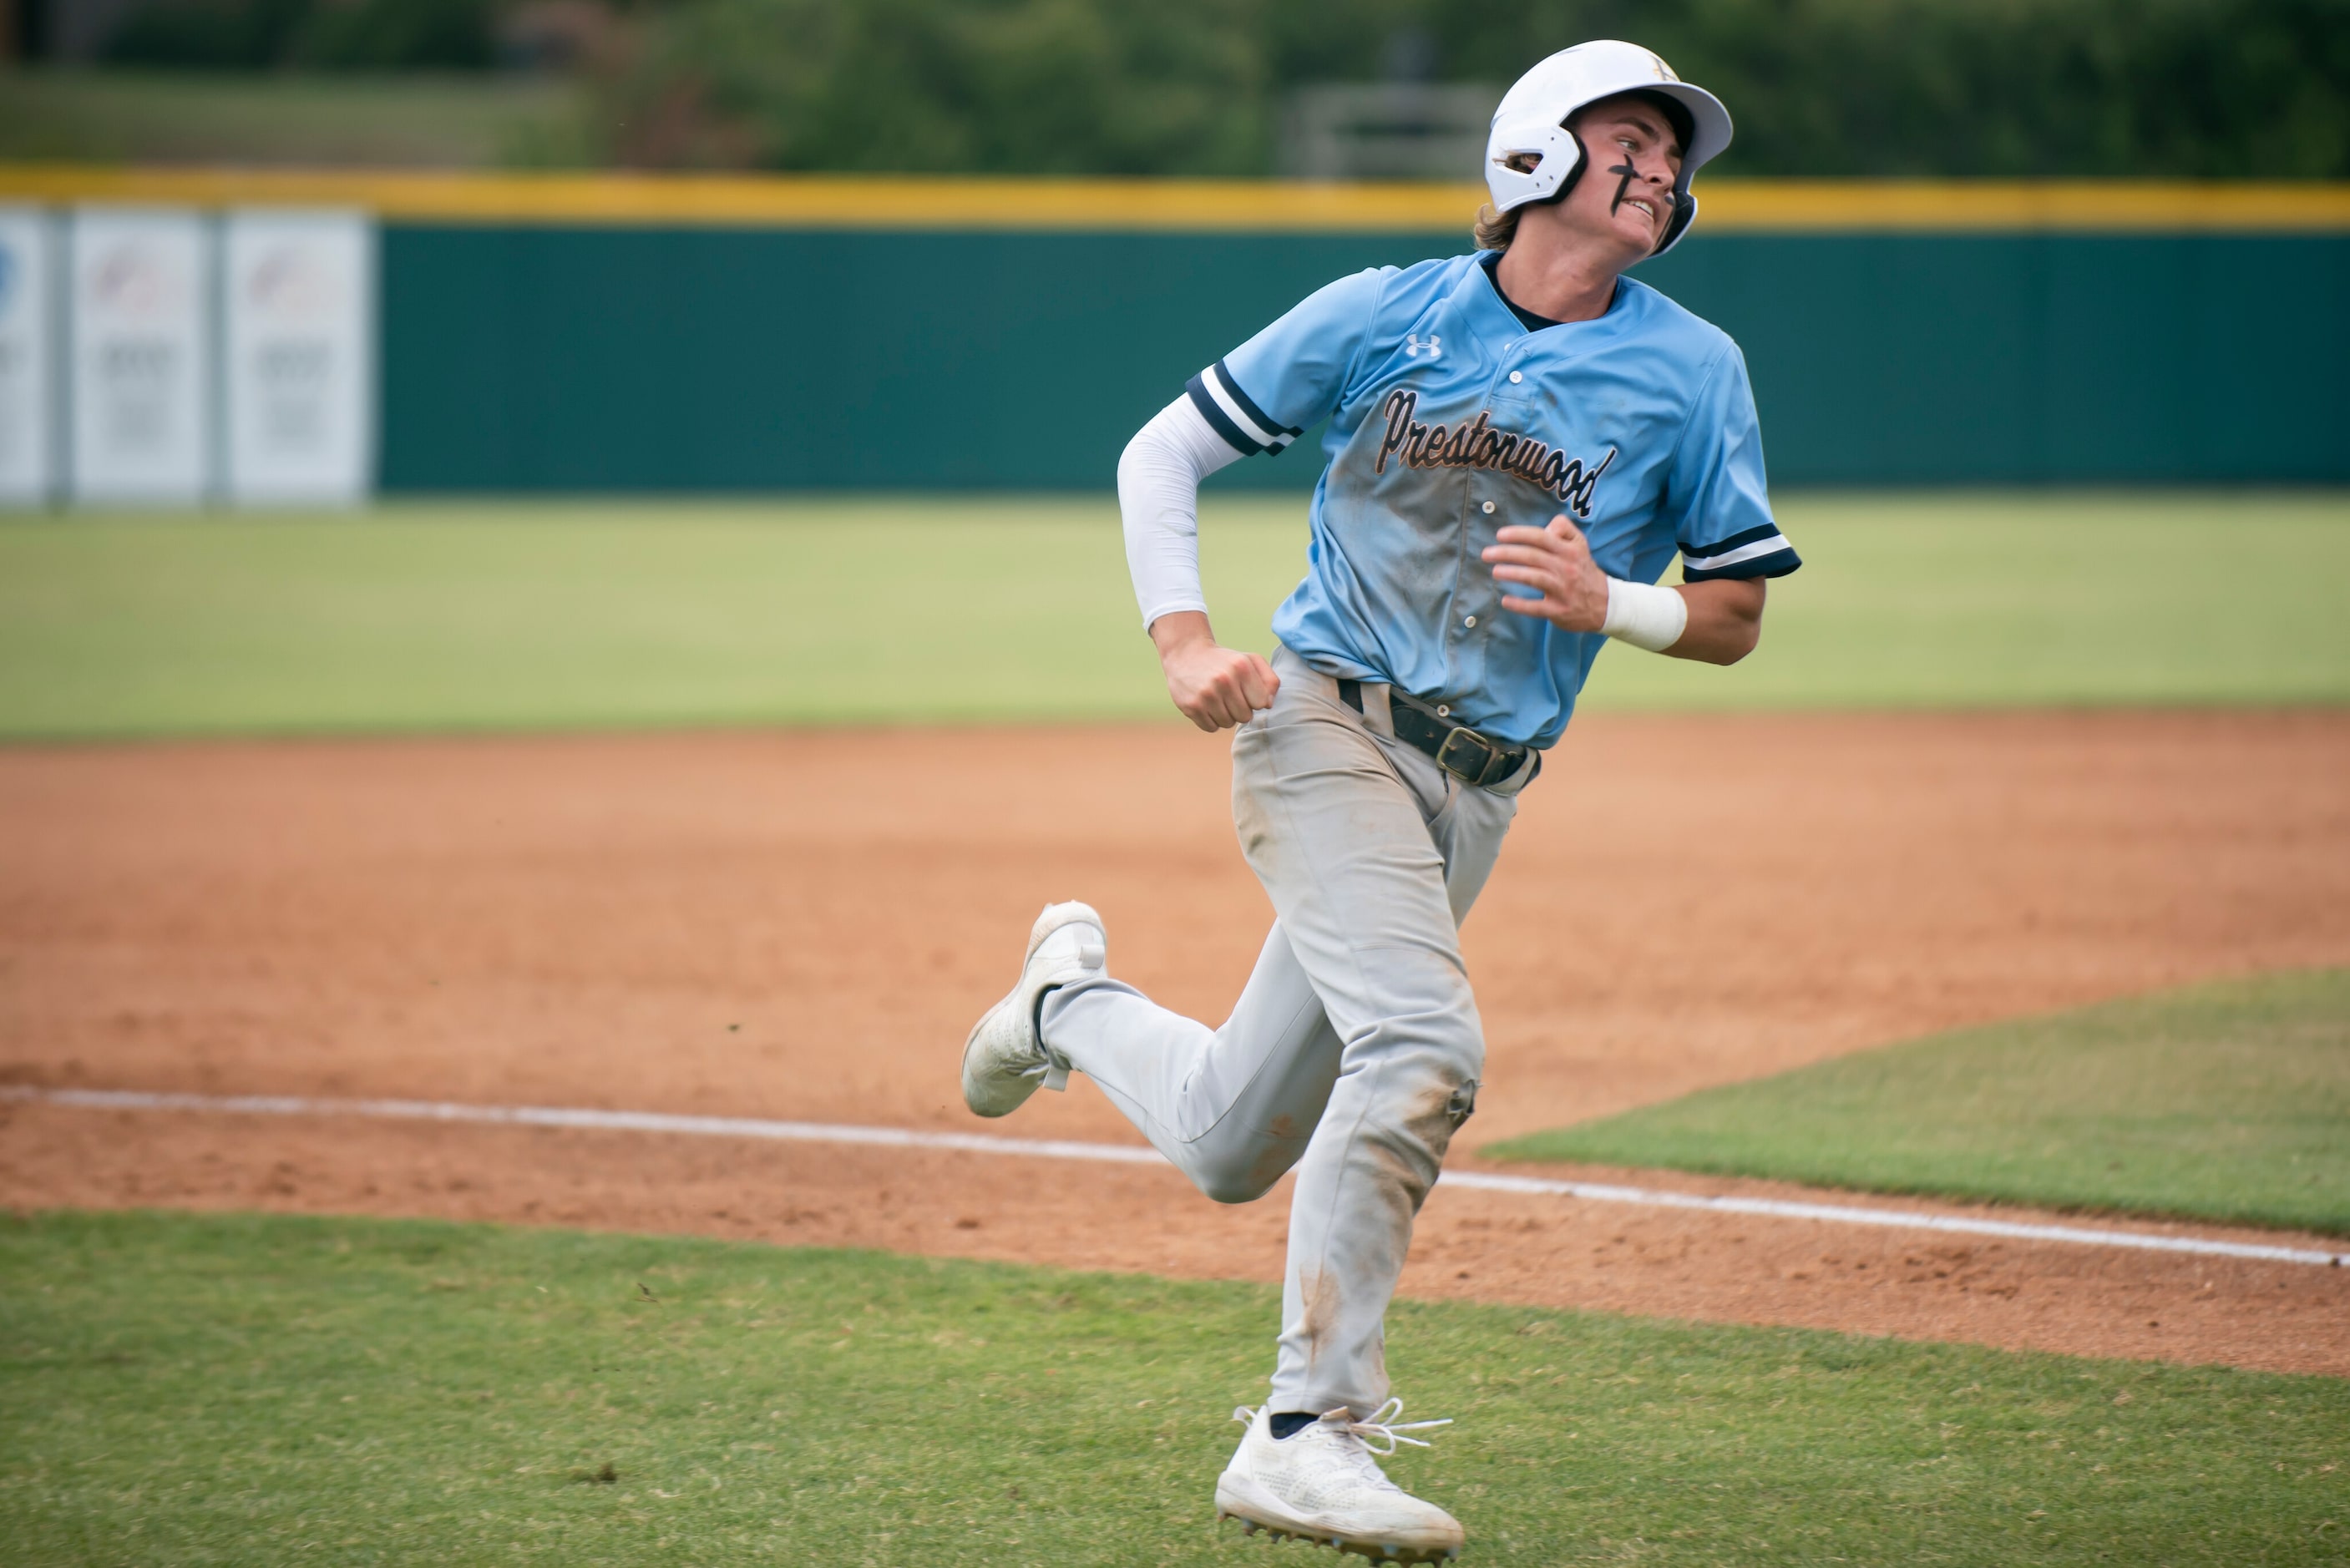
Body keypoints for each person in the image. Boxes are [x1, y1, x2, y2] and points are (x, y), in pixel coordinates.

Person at [960, 39, 1800, 1564]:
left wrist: (1610, 598)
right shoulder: (1382, 312)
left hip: (1479, 790)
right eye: (1632, 135)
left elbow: (1735, 610)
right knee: (1421, 1047)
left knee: (1230, 1139)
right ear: (1535, 151)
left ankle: (1062, 1005)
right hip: (1323, 731)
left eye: (1677, 152)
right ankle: (1304, 1431)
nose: (1664, 167)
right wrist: (1184, 640)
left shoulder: (1693, 367)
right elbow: (1167, 450)